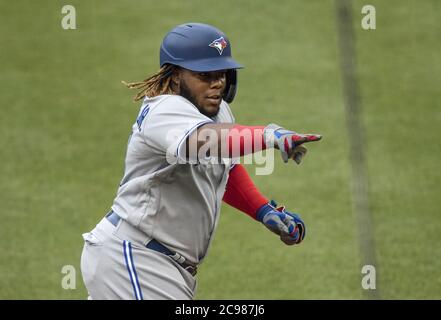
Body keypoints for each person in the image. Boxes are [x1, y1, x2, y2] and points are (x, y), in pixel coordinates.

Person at [80, 22, 322, 300]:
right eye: (204, 74)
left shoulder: (219, 113)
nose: (217, 82)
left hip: (161, 265)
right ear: (175, 75)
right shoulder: (164, 109)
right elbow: (207, 140)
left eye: (221, 73)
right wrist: (268, 136)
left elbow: (224, 168)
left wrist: (262, 211)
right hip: (135, 259)